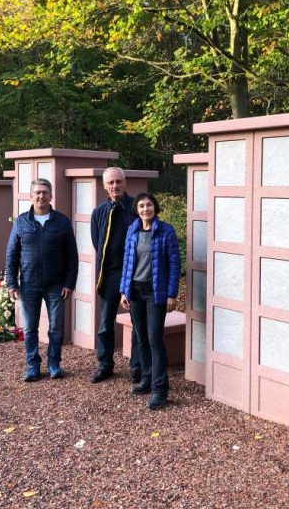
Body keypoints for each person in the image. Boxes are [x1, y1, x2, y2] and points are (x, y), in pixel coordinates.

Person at [5, 178, 78, 382]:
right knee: (29, 329)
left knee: (56, 328)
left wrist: (69, 283)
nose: (41, 196)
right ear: (31, 196)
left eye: (45, 192)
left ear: (51, 195)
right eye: (37, 192)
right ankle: (32, 366)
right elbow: (12, 253)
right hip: (29, 283)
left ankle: (54, 363)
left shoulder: (62, 222)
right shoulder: (21, 222)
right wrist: (11, 282)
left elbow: (72, 255)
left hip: (56, 284)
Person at [120, 193, 181, 410]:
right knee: (141, 337)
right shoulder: (132, 230)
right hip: (135, 290)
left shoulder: (166, 231)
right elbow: (127, 261)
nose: (146, 209)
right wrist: (123, 290)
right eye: (142, 206)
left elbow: (174, 264)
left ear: (155, 208)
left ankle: (160, 389)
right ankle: (146, 379)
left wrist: (171, 293)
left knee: (155, 338)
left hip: (156, 292)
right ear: (137, 210)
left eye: (149, 205)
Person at [90, 167, 141, 383]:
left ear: (125, 182)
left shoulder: (136, 207)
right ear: (104, 186)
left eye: (118, 181)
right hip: (109, 274)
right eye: (110, 182)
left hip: (135, 273)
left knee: (137, 322)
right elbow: (97, 241)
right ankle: (105, 364)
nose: (115, 186)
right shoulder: (99, 211)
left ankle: (137, 367)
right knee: (105, 323)